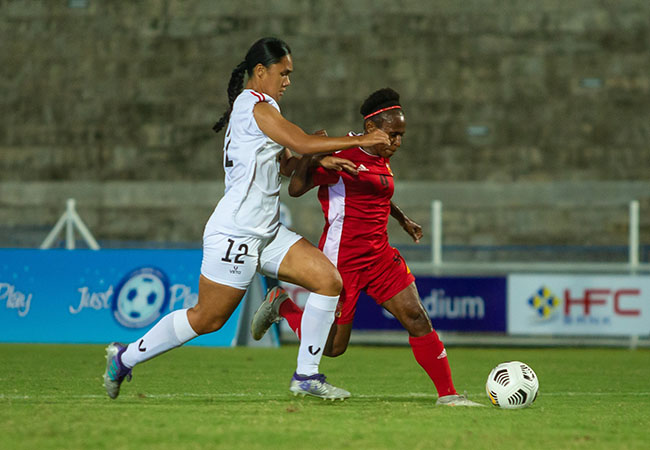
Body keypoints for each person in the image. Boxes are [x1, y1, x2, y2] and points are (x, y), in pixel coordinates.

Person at [103, 37, 390, 401]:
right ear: (260, 71)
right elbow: (300, 143)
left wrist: (319, 160)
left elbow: (287, 162)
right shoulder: (253, 105)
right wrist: (358, 140)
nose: (288, 80)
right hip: (236, 231)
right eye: (283, 73)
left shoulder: (264, 109)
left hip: (266, 231)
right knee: (207, 319)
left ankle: (306, 375)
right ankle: (123, 357)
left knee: (328, 281)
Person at [251, 88, 482, 406]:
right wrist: (313, 157)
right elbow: (296, 188)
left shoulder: (381, 159)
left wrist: (402, 218)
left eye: (401, 135)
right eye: (393, 134)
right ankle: (282, 305)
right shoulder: (343, 152)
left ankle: (449, 394)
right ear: (372, 129)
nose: (397, 142)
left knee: (417, 317)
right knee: (333, 348)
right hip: (343, 259)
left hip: (380, 257)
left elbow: (376, 191)